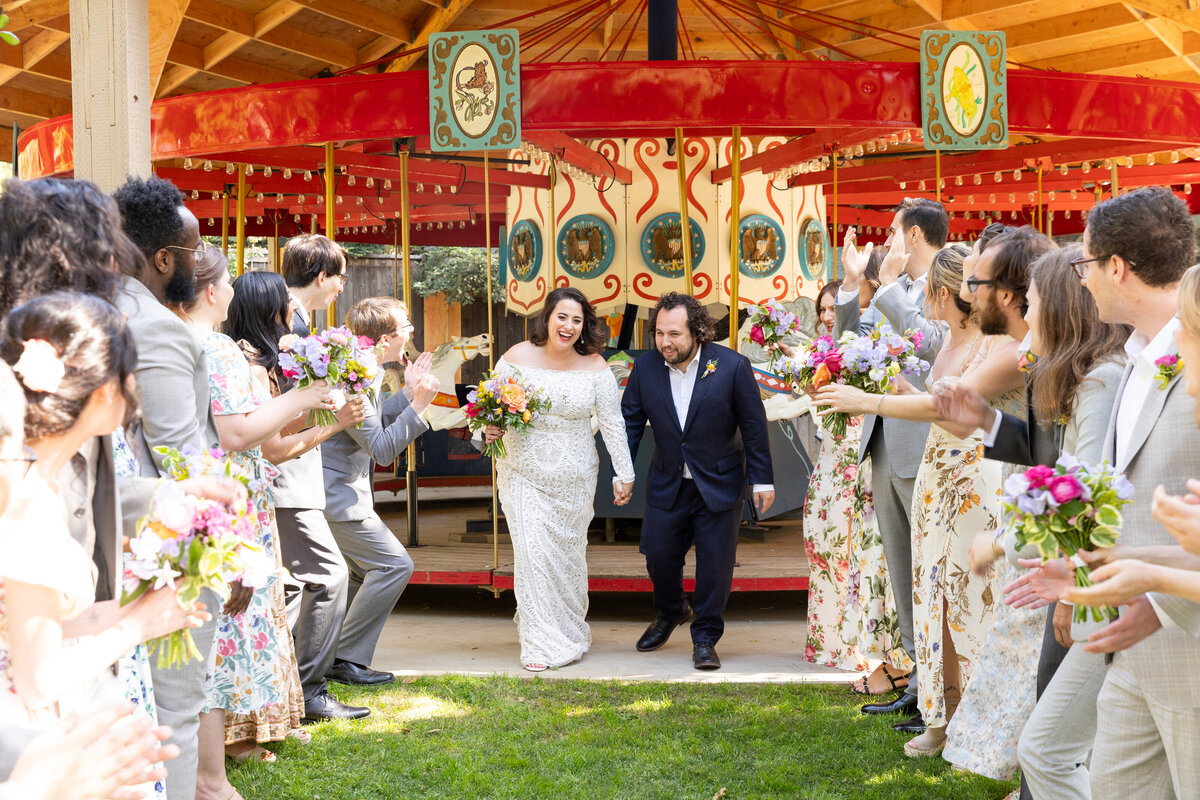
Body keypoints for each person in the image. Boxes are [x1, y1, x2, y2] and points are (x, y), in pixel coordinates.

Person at [1006, 187, 1200, 799]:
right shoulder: (1134, 358)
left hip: (1184, 643)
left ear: (1116, 267)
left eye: (1087, 265)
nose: (1082, 281)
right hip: (1127, 640)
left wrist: (1163, 600)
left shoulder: (1186, 352)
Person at [0, 293, 209, 726]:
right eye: (130, 374)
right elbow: (37, 681)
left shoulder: (41, 480)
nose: (136, 388)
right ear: (103, 390)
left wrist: (146, 606)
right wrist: (137, 627)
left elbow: (49, 620)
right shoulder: (29, 499)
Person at [112, 174, 225, 800]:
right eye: (193, 250)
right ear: (162, 259)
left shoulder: (102, 306)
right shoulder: (153, 325)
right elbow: (184, 462)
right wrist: (225, 555)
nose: (200, 260)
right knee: (175, 712)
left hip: (117, 546)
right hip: (167, 552)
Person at [223, 269, 366, 740]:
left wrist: (317, 400)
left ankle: (280, 699)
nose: (293, 308)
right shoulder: (248, 364)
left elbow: (280, 425)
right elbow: (275, 447)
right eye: (285, 302)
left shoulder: (261, 358)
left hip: (269, 494)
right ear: (271, 309)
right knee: (326, 576)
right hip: (269, 489)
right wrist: (335, 420)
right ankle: (308, 690)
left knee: (275, 595)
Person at [833, 201, 949, 731]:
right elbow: (845, 347)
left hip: (925, 442)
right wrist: (853, 287)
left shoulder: (949, 279)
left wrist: (887, 287)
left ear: (916, 235)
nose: (887, 238)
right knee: (902, 572)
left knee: (929, 572)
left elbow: (930, 349)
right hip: (882, 440)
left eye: (893, 230)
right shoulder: (890, 288)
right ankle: (919, 683)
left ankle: (939, 690)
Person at [483, 287, 634, 672]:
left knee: (565, 559)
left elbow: (614, 424)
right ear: (547, 318)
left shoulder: (597, 366)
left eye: (576, 320)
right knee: (533, 554)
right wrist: (487, 430)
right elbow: (487, 410)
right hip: (522, 473)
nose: (568, 326)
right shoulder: (516, 357)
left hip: (575, 478)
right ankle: (538, 644)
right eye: (562, 317)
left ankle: (568, 629)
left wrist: (625, 472)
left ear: (584, 327)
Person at [620, 291, 773, 671]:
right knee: (657, 555)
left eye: (674, 334)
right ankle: (671, 611)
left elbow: (753, 427)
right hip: (668, 481)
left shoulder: (732, 366)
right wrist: (623, 472)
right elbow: (630, 424)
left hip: (719, 482)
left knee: (714, 566)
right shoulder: (645, 369)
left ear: (698, 332)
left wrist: (762, 480)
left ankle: (705, 637)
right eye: (658, 333)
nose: (665, 342)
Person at [275, 234, 374, 721]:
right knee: (327, 575)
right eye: (339, 278)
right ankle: (310, 690)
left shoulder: (301, 322)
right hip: (285, 464)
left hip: (299, 462)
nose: (341, 288)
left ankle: (287, 686)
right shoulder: (285, 323)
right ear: (321, 277)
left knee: (295, 586)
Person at [323, 297, 440, 683]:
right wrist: (420, 406)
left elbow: (372, 426)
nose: (411, 331)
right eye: (406, 325)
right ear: (385, 338)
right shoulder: (354, 377)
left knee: (361, 573)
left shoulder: (363, 369)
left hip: (340, 490)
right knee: (393, 565)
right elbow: (383, 448)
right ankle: (346, 660)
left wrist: (407, 394)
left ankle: (336, 656)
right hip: (336, 493)